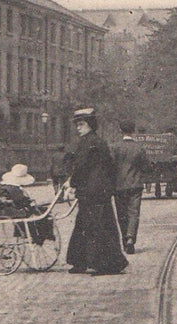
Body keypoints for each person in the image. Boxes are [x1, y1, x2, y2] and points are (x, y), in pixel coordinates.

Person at [63, 108, 128, 275]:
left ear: (90, 125)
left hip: (91, 191)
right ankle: (82, 262)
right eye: (77, 124)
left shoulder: (87, 143)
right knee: (89, 224)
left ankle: (106, 264)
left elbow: (81, 167)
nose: (78, 127)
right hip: (100, 191)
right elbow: (110, 166)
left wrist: (72, 182)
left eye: (82, 124)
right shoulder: (99, 142)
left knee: (95, 226)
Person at [112, 121, 150, 254]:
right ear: (133, 131)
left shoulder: (115, 147)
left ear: (120, 130)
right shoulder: (139, 148)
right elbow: (146, 167)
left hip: (119, 186)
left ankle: (124, 239)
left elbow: (110, 167)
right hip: (135, 185)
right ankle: (130, 238)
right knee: (134, 213)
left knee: (121, 214)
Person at [0, 164, 54, 245]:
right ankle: (41, 234)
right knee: (40, 213)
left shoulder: (9, 187)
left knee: (40, 211)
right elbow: (14, 200)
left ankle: (41, 233)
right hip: (14, 209)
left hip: (15, 207)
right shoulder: (11, 188)